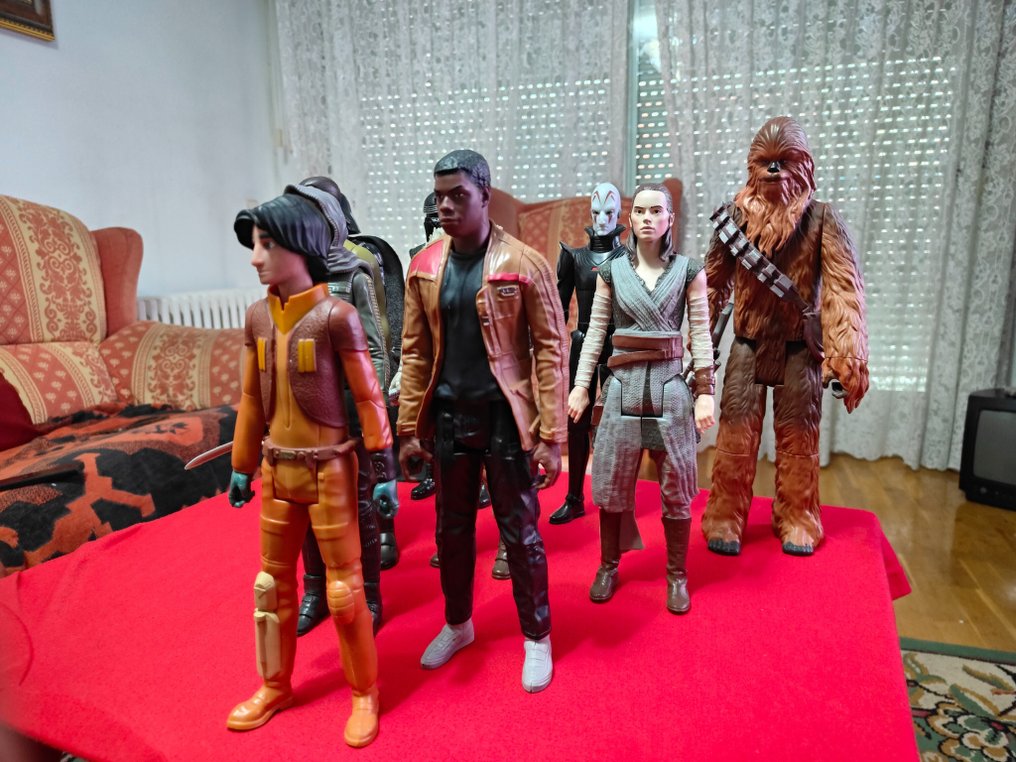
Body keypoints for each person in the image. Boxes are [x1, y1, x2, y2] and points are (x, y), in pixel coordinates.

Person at [225, 184, 396, 747]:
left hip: (331, 472)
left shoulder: (336, 317)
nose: (255, 258)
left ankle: (364, 693)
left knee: (346, 594)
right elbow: (251, 400)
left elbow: (369, 396)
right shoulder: (256, 318)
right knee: (270, 587)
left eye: (266, 244)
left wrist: (385, 467)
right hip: (277, 471)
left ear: (299, 244)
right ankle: (275, 686)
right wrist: (242, 464)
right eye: (254, 244)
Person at [397, 149, 568, 693]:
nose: (446, 206)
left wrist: (551, 436)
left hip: (504, 417)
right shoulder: (424, 267)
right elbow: (414, 352)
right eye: (440, 197)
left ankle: (537, 636)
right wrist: (409, 429)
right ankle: (458, 623)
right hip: (449, 417)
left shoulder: (524, 263)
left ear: (484, 196)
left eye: (458, 196)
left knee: (520, 532)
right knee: (451, 531)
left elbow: (552, 350)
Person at [700, 116, 868, 556]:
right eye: (766, 163)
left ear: (805, 166)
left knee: (799, 440)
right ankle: (724, 513)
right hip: (747, 344)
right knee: (735, 436)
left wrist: (846, 353)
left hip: (800, 349)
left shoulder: (823, 219)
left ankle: (798, 515)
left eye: (786, 161)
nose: (775, 172)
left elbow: (844, 289)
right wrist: (696, 348)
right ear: (751, 168)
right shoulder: (733, 220)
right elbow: (711, 286)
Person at [568, 182, 715, 614]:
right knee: (612, 482)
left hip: (670, 388)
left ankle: (677, 574)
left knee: (677, 485)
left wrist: (705, 391)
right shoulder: (612, 272)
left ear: (670, 218)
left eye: (656, 211)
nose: (648, 218)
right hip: (622, 387)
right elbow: (596, 332)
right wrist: (581, 384)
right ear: (629, 219)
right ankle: (608, 565)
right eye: (640, 212)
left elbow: (700, 334)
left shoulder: (689, 271)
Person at [291, 176, 397, 636]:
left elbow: (376, 346)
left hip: (349, 408)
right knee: (305, 500)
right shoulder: (289, 276)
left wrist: (374, 401)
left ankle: (369, 593)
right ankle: (314, 589)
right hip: (303, 411)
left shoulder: (353, 274)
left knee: (361, 499)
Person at [549, 181, 627, 525]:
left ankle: (614, 497)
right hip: (582, 342)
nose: (602, 219)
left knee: (616, 421)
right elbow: (557, 308)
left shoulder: (629, 259)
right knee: (576, 419)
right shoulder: (574, 257)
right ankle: (574, 497)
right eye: (597, 212)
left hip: (618, 345)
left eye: (609, 212)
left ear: (618, 214)